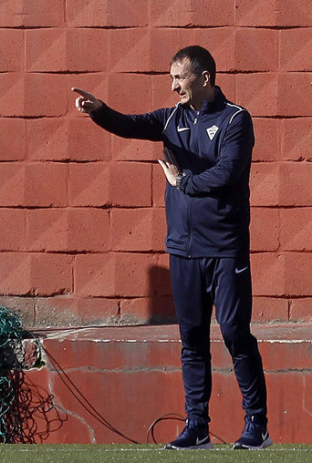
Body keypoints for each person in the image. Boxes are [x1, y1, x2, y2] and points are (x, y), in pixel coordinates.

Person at [71, 46, 270, 450]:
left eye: (179, 77)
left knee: (234, 333)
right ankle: (197, 426)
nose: (173, 85)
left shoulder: (236, 120)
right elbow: (129, 124)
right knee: (191, 338)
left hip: (226, 248)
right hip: (182, 250)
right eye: (172, 78)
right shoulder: (171, 119)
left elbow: (228, 172)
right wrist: (98, 110)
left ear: (204, 78)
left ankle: (257, 426)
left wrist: (184, 184)